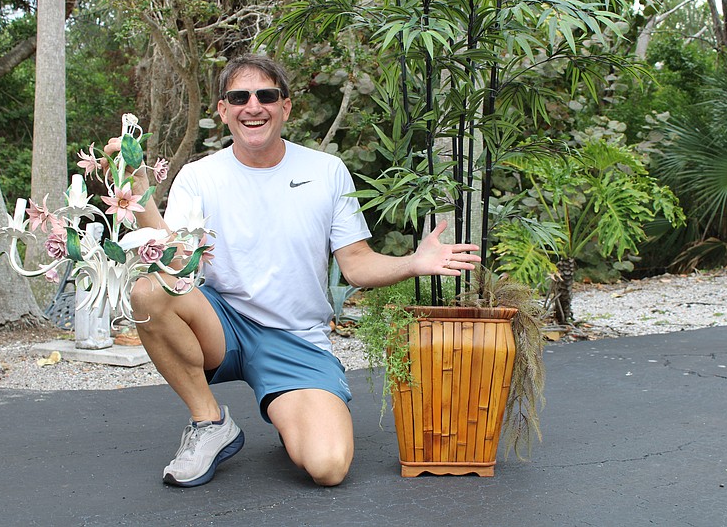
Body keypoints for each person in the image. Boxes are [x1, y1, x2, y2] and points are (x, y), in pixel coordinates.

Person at [107, 54, 481, 488]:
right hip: (222, 323)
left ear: (285, 107)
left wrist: (413, 263)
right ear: (223, 110)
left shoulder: (325, 171)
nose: (253, 106)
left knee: (328, 466)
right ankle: (210, 422)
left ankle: (293, 411)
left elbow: (356, 264)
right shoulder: (199, 176)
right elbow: (174, 262)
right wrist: (138, 190)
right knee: (150, 291)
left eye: (266, 95)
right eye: (239, 97)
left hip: (295, 339)